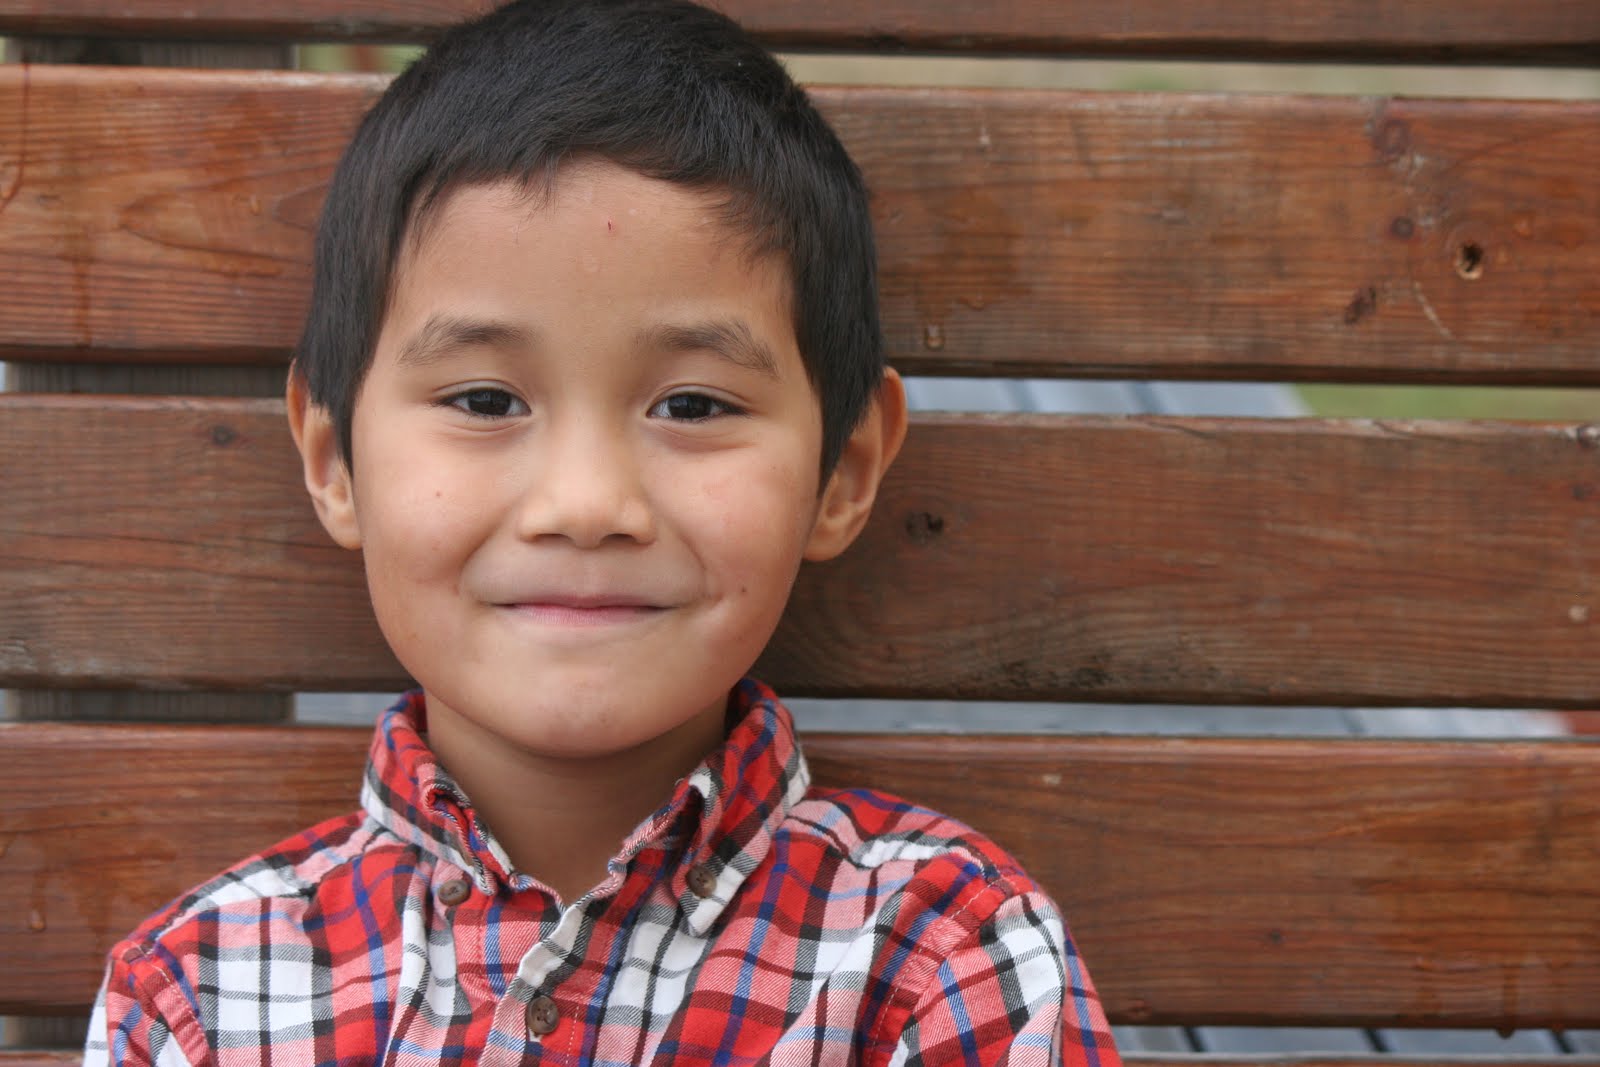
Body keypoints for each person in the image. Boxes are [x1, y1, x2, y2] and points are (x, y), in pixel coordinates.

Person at [84, 1, 1120, 1063]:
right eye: (485, 400)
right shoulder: (199, 997)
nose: (585, 503)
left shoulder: (944, 960)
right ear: (331, 456)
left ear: (844, 471)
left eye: (693, 405)